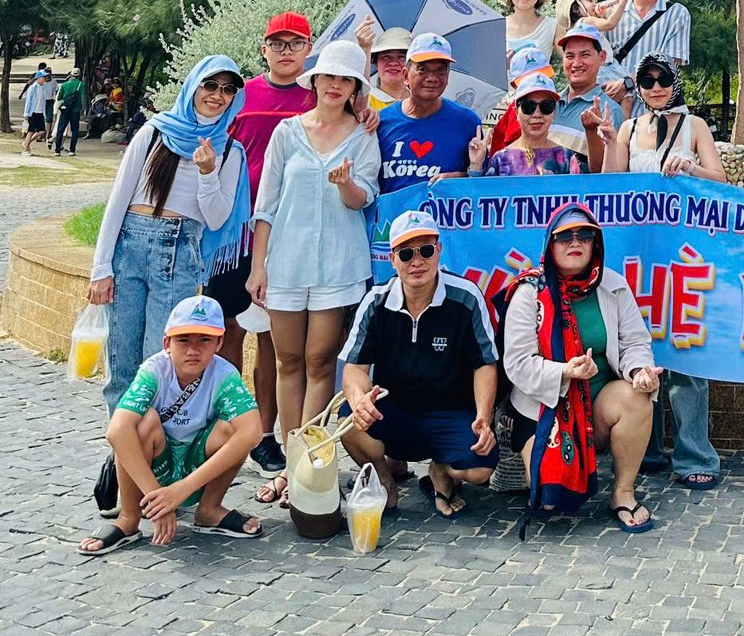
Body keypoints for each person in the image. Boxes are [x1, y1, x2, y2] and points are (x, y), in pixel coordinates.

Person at [247, 40, 380, 503]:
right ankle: (290, 466)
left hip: (337, 264)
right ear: (316, 80)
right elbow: (266, 205)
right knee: (287, 362)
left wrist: (346, 185)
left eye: (346, 80)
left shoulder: (364, 136)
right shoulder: (287, 133)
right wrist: (258, 265)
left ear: (354, 88)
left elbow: (363, 198)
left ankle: (310, 464)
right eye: (330, 77)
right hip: (286, 260)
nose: (336, 85)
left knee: (320, 361)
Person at [89, 57, 251, 411]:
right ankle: (121, 443)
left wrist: (208, 173)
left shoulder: (229, 151)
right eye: (211, 85)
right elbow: (118, 200)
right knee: (122, 361)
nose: (218, 95)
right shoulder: (154, 132)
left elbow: (216, 219)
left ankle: (154, 442)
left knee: (161, 362)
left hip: (180, 253)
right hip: (130, 245)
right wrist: (101, 268)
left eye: (228, 89)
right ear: (193, 86)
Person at [600, 53, 725, 489]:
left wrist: (691, 168)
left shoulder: (695, 126)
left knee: (687, 356)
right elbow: (611, 187)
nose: (655, 87)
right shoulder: (629, 128)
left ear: (675, 82)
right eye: (647, 80)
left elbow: (721, 179)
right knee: (640, 352)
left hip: (684, 257)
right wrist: (608, 142)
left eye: (663, 79)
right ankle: (645, 449)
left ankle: (695, 454)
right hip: (638, 257)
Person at [500, 201, 662, 533]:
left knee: (636, 398)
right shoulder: (529, 292)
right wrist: (564, 372)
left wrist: (640, 372)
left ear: (595, 244)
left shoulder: (612, 284)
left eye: (585, 236)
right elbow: (517, 363)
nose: (575, 243)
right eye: (565, 236)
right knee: (551, 500)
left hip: (597, 404)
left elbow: (635, 342)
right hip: (543, 408)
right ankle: (527, 458)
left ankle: (623, 492)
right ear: (550, 244)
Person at [206, 10, 319, 475]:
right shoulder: (240, 96)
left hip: (287, 234)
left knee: (274, 339)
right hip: (234, 235)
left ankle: (266, 434)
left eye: (295, 43)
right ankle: (230, 426)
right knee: (228, 331)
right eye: (278, 43)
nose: (286, 51)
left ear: (309, 48)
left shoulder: (318, 96)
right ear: (264, 49)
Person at [340, 209, 500, 518]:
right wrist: (359, 399)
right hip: (395, 411)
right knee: (350, 419)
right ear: (392, 259)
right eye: (406, 253)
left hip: (452, 412)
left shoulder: (466, 297)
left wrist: (484, 416)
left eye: (426, 250)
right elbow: (354, 368)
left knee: (480, 470)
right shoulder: (375, 301)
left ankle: (441, 470)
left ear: (439, 250)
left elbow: (485, 364)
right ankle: (384, 483)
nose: (417, 261)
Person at [79, 296, 263, 555]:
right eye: (183, 340)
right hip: (156, 463)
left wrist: (181, 490)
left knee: (235, 428)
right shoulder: (154, 370)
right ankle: (129, 518)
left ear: (219, 343)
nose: (193, 350)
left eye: (205, 340)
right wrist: (159, 500)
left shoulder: (225, 375)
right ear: (167, 343)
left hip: (197, 464)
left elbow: (252, 432)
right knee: (142, 422)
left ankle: (209, 510)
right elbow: (117, 430)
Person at [377, 33, 485, 193]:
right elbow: (367, 182)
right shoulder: (381, 122)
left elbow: (482, 184)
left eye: (441, 71)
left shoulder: (468, 122)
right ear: (406, 76)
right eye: (423, 70)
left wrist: (460, 177)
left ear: (448, 76)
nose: (432, 78)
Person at [484, 71, 600, 177]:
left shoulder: (566, 157)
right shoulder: (501, 159)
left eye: (546, 106)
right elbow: (485, 192)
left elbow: (578, 191)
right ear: (516, 112)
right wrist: (476, 167)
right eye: (529, 106)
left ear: (554, 112)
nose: (537, 114)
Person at [554, 23, 626, 144]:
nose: (576, 63)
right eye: (570, 56)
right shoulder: (550, 104)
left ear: (602, 57)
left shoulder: (609, 112)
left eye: (585, 55)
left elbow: (611, 155)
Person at [499, 0, 558, 80]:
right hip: (500, 93)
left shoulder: (552, 26)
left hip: (538, 91)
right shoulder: (496, 26)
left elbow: (572, 58)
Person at [364, 26, 412, 110]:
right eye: (386, 57)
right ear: (376, 63)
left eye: (401, 57)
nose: (393, 63)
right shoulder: (363, 101)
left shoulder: (424, 100)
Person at [20, 64, 53, 155]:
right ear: (39, 78)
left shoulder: (43, 88)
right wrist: (26, 113)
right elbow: (29, 101)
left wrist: (44, 113)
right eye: (43, 77)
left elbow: (43, 101)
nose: (45, 79)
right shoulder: (33, 88)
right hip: (33, 112)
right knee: (31, 131)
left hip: (40, 112)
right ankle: (26, 149)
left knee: (41, 130)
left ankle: (27, 143)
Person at [52, 67, 86, 156]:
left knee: (61, 129)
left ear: (71, 75)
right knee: (75, 130)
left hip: (65, 109)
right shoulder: (81, 85)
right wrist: (84, 110)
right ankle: (72, 150)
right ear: (79, 75)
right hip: (76, 110)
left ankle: (57, 150)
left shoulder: (64, 85)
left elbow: (59, 97)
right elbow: (83, 98)